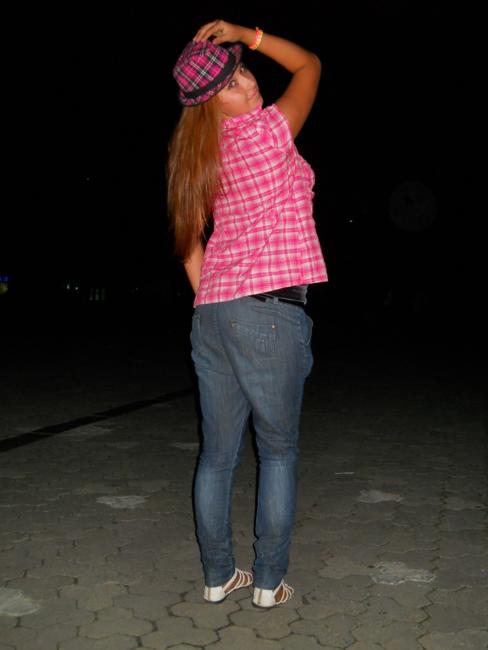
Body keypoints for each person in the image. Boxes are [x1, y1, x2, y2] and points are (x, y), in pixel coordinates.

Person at [168, 19, 327, 608]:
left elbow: (189, 244)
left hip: (211, 313)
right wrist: (251, 33)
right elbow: (309, 64)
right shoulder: (265, 133)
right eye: (232, 83)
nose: (249, 81)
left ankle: (217, 577)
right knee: (277, 451)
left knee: (217, 455)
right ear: (212, 106)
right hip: (269, 313)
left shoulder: (198, 157)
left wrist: (213, 300)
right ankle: (266, 581)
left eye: (242, 69)